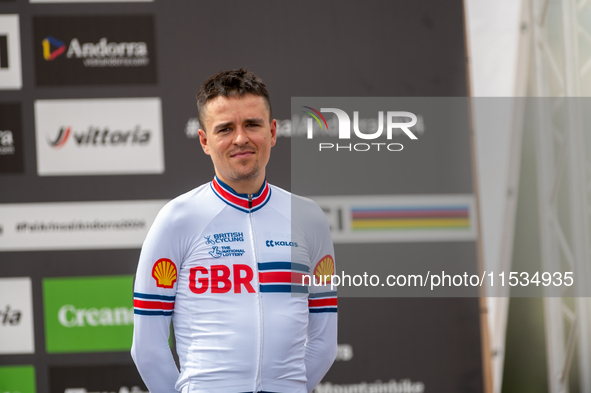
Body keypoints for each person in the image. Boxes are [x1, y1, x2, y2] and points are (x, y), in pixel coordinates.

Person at [131, 69, 338, 393]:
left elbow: (324, 341)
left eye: (252, 124)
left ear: (272, 131)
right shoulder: (176, 219)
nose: (241, 138)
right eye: (225, 128)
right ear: (204, 141)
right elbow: (147, 348)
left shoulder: (308, 218)